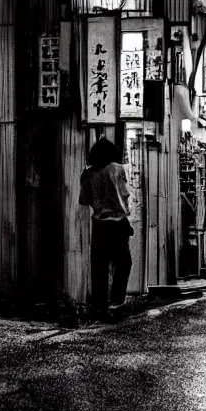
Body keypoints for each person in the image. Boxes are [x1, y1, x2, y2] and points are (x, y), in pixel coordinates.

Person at [78, 137, 134, 322]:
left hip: (98, 224)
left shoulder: (87, 174)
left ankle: (99, 307)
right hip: (117, 223)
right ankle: (116, 301)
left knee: (99, 267)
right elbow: (124, 195)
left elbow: (84, 200)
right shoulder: (117, 169)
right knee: (124, 263)